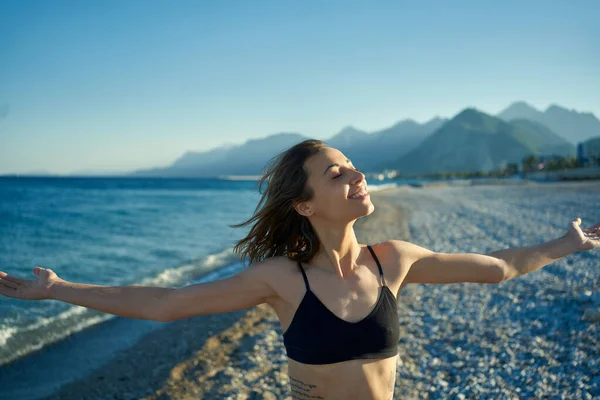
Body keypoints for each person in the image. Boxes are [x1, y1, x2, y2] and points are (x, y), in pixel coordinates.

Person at [1, 139, 598, 400]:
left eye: (353, 166)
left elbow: (497, 268)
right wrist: (59, 290)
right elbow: (167, 304)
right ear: (305, 205)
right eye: (336, 173)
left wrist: (564, 243)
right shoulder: (282, 279)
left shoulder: (393, 260)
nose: (356, 176)